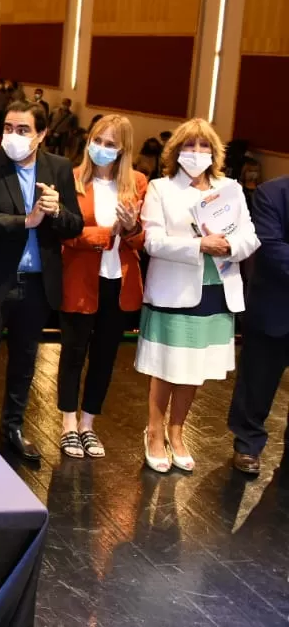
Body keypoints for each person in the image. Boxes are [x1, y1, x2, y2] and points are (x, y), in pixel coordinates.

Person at [0, 100, 82, 459]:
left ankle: (13, 427)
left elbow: (74, 226)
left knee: (25, 361)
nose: (13, 136)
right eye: (8, 128)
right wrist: (24, 221)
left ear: (41, 134)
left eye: (23, 130)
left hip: (38, 282)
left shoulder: (58, 168)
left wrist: (56, 212)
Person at [136, 119, 259, 473]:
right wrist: (198, 245)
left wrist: (228, 246)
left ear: (215, 153)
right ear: (176, 152)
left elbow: (250, 237)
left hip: (217, 290)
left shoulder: (230, 188)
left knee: (193, 370)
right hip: (174, 289)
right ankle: (155, 432)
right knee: (166, 366)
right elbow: (152, 241)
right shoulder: (161, 188)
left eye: (204, 146)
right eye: (189, 146)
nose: (196, 153)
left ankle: (177, 432)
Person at [55, 116, 147, 459]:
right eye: (98, 141)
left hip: (118, 284)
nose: (102, 149)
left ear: (123, 149)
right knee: (73, 353)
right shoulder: (72, 179)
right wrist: (109, 234)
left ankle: (88, 424)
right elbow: (65, 231)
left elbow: (141, 240)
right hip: (79, 279)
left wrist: (132, 227)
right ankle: (67, 423)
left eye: (111, 144)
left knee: (105, 357)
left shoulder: (137, 183)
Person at [228, 176, 289, 475]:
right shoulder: (271, 193)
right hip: (274, 307)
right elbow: (271, 246)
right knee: (257, 384)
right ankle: (248, 445)